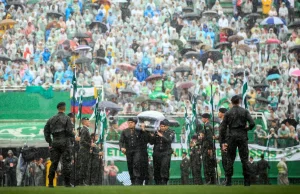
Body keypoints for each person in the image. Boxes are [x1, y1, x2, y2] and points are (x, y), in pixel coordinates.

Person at [220, 95, 255, 186]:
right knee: (244, 159)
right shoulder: (244, 111)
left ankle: (228, 181)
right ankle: (247, 181)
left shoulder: (228, 113)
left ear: (231, 102)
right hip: (242, 135)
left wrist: (223, 141)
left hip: (231, 136)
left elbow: (223, 128)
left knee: (230, 158)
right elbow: (252, 123)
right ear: (239, 101)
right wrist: (247, 128)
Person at [44, 102, 74, 187]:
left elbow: (46, 131)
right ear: (64, 108)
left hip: (55, 142)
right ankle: (67, 183)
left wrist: (50, 141)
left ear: (58, 108)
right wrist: (74, 134)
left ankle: (50, 183)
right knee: (66, 163)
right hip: (65, 142)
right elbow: (69, 131)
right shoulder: (67, 118)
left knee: (54, 163)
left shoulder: (51, 119)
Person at [119, 118, 149, 185]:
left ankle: (137, 180)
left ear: (135, 123)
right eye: (129, 122)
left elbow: (146, 139)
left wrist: (143, 130)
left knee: (136, 163)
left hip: (137, 150)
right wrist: (122, 147)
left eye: (131, 122)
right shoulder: (124, 131)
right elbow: (121, 141)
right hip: (128, 151)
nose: (130, 124)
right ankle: (132, 180)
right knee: (130, 165)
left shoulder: (139, 131)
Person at [150, 119, 175, 185]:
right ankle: (157, 182)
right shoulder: (156, 132)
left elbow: (169, 140)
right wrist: (152, 136)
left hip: (166, 152)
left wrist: (162, 136)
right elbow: (151, 142)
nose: (162, 127)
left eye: (164, 126)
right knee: (156, 167)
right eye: (161, 126)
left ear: (167, 126)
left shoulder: (171, 132)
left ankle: (164, 181)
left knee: (164, 166)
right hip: (157, 152)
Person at [78, 117, 96, 186]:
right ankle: (81, 182)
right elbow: (82, 141)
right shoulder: (84, 130)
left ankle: (83, 181)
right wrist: (90, 144)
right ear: (84, 122)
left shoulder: (85, 130)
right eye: (88, 122)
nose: (89, 123)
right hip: (84, 150)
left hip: (85, 150)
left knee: (85, 166)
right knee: (84, 166)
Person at [201, 113, 215, 185]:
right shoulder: (207, 125)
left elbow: (209, 138)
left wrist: (210, 148)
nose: (201, 119)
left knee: (207, 164)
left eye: (203, 117)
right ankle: (211, 180)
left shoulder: (207, 126)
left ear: (206, 118)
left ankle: (209, 180)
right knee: (209, 164)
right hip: (207, 147)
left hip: (207, 147)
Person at [218, 107, 228, 184]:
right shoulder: (222, 122)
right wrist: (217, 137)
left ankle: (228, 179)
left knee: (226, 162)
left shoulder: (226, 122)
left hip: (225, 145)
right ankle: (226, 179)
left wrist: (225, 143)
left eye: (219, 112)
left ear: (223, 113)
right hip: (222, 144)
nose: (218, 113)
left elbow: (227, 133)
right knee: (224, 162)